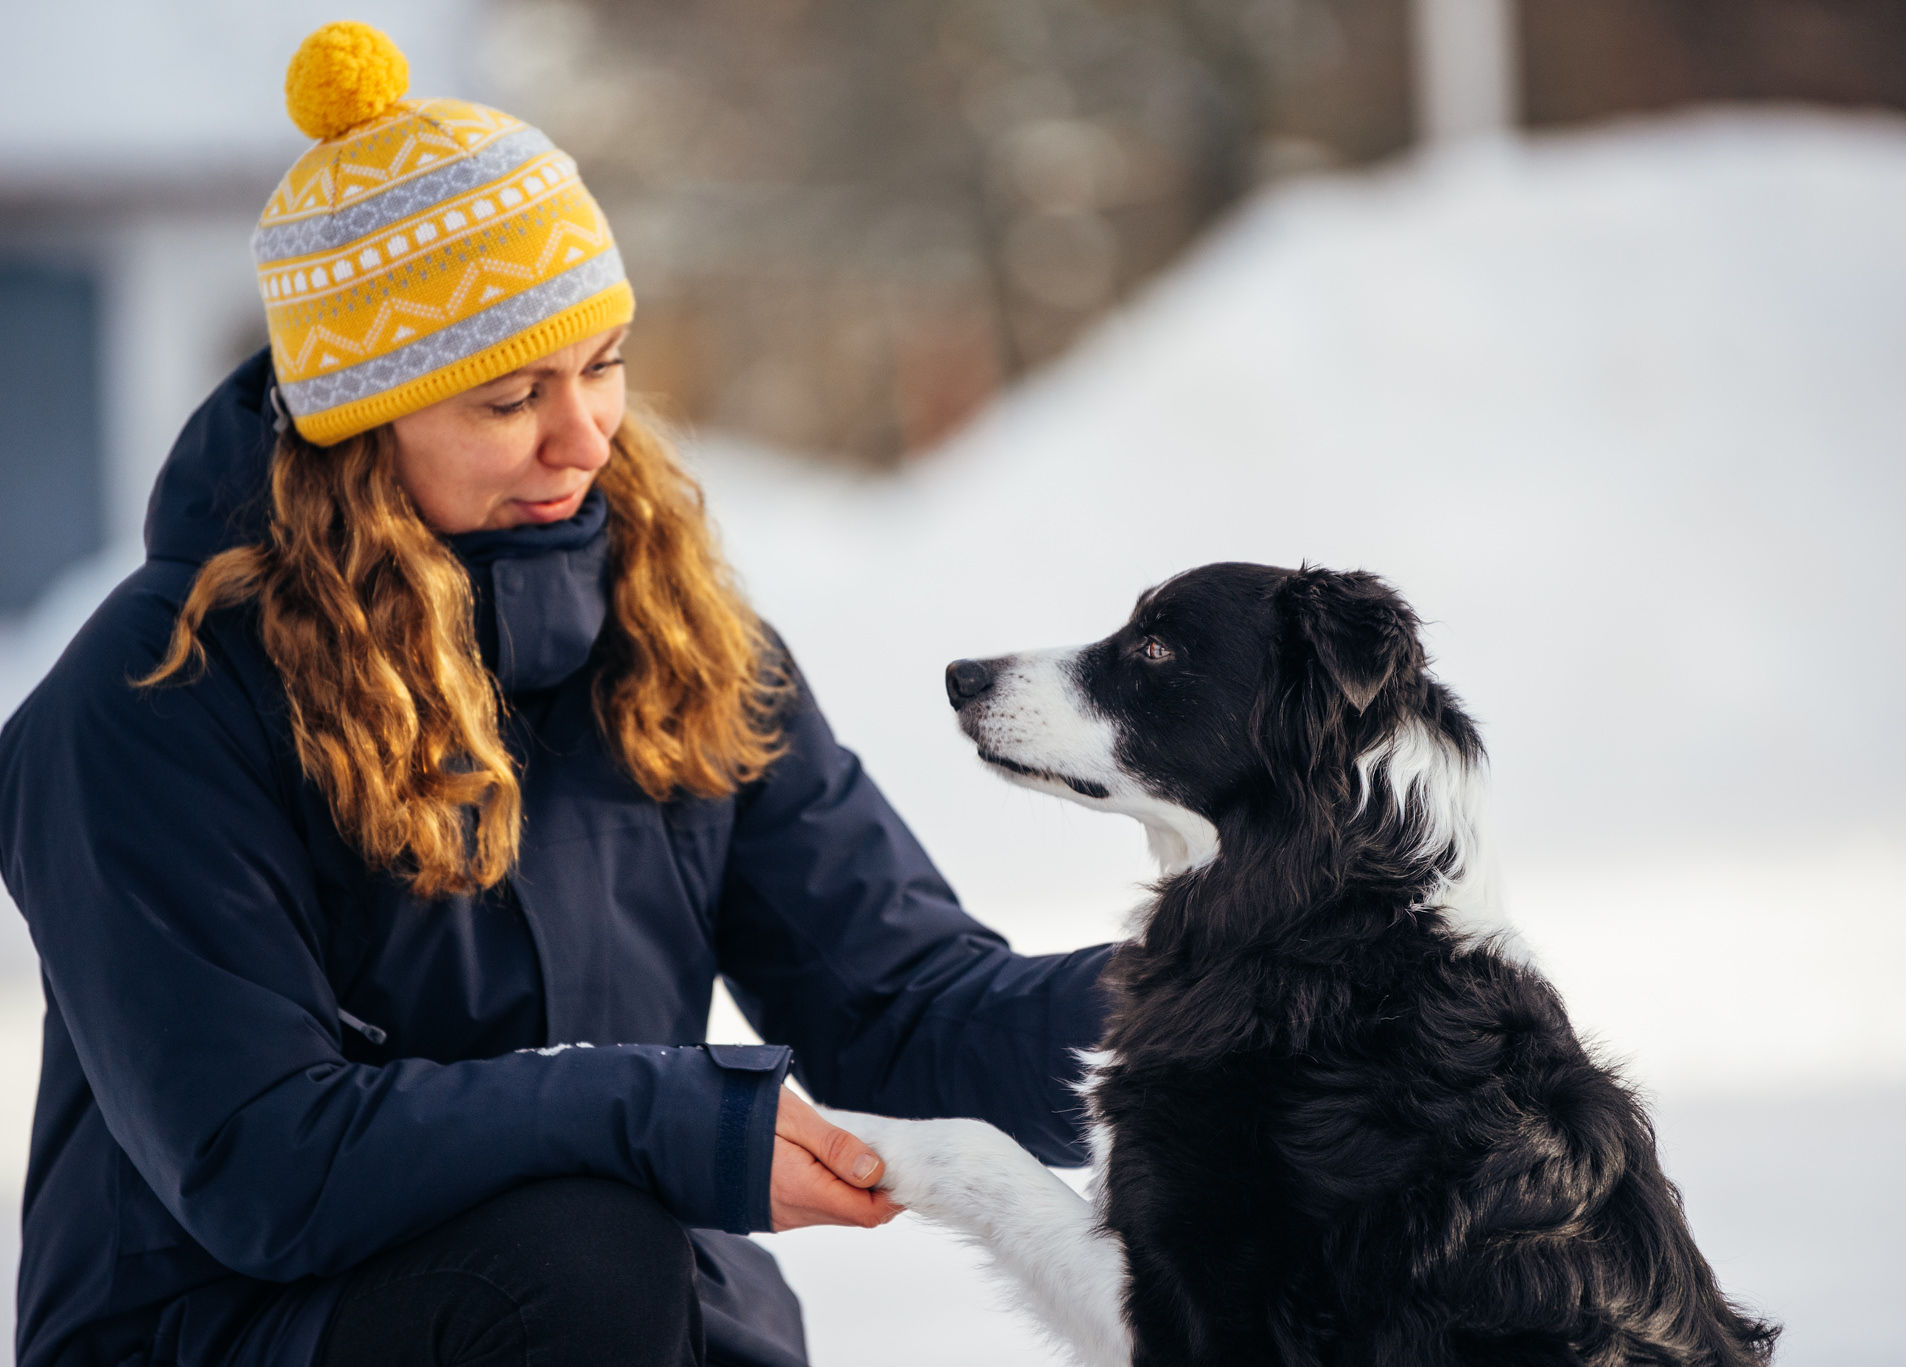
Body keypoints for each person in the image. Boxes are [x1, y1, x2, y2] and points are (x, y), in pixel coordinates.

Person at [0, 23, 1108, 1367]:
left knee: (607, 1269)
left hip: (621, 1318)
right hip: (229, 1333)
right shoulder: (152, 701)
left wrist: (1215, 999)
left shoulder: (674, 639)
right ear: (362, 424)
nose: (586, 436)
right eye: (509, 396)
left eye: (602, 364)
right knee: (580, 1257)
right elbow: (260, 1162)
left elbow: (907, 1013)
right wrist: (669, 1118)